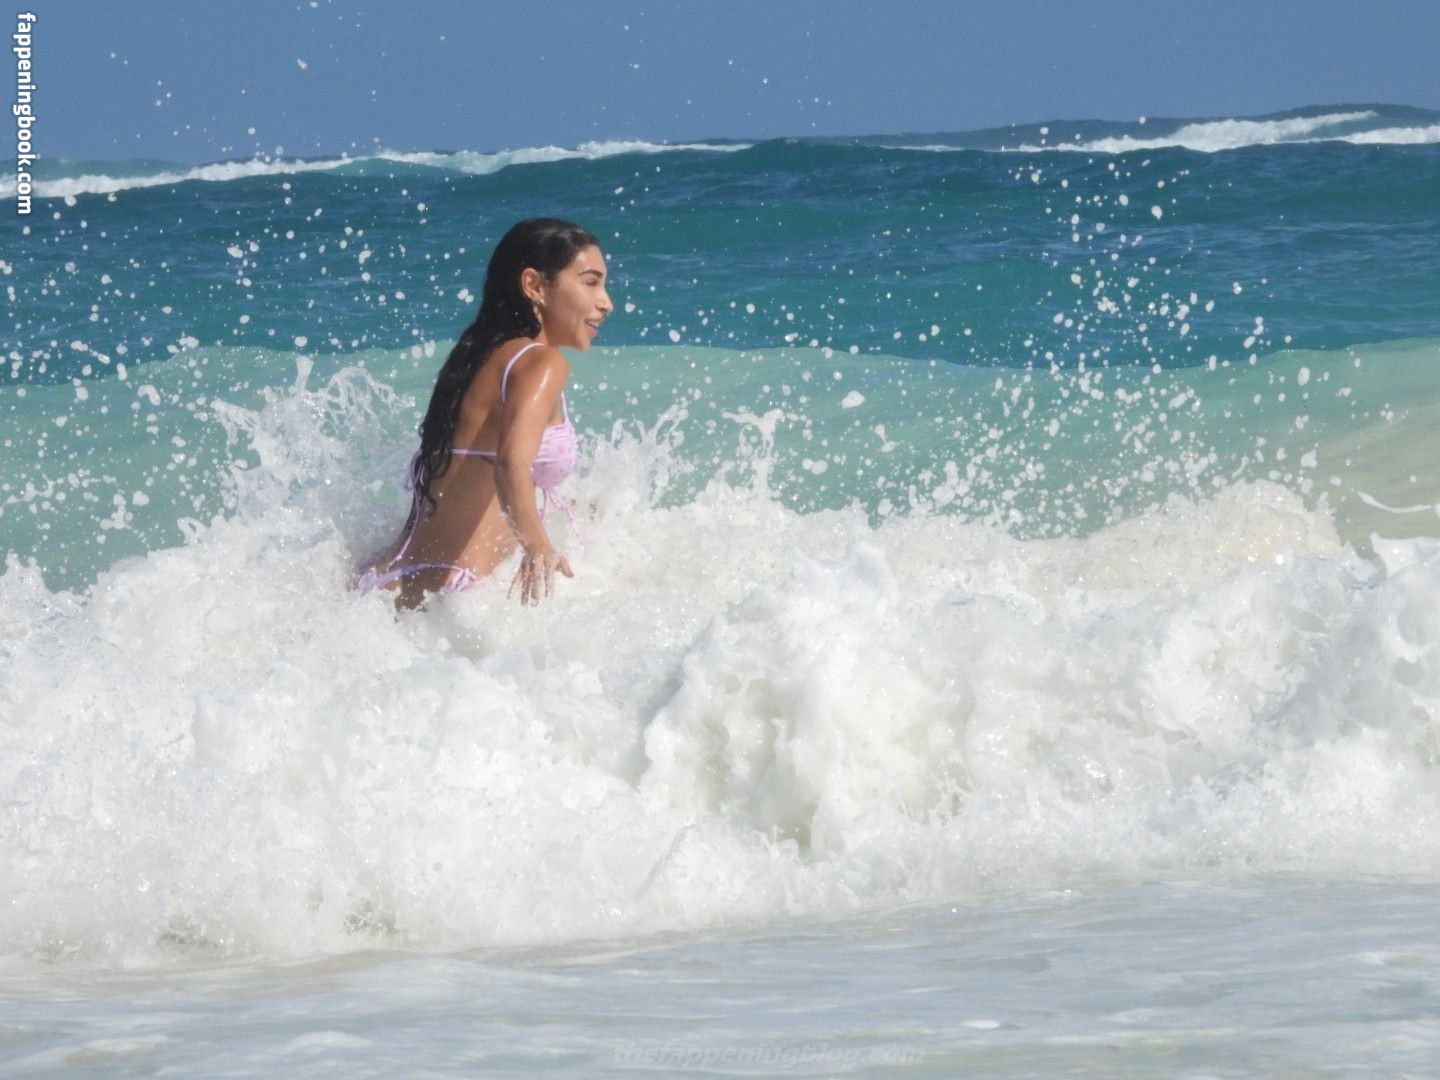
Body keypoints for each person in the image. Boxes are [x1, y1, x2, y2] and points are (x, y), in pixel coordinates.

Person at [356, 218, 612, 609]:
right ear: (534, 286)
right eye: (591, 283)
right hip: (459, 594)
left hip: (387, 580)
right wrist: (538, 546)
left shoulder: (477, 356)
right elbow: (510, 465)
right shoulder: (543, 364)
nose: (606, 302)